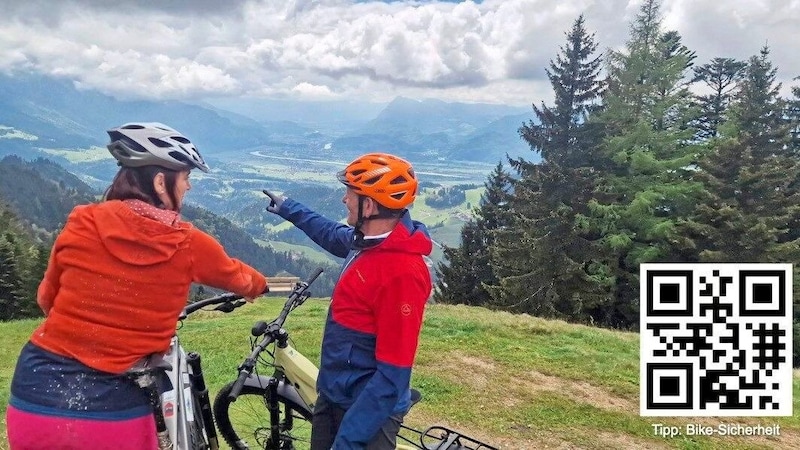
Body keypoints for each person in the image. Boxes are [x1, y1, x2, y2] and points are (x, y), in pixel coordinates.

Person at [5, 122, 268, 450]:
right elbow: (243, 279)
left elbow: (46, 298)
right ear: (161, 182)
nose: (188, 187)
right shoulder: (188, 244)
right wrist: (259, 287)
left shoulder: (82, 222)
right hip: (113, 409)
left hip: (34, 396)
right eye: (186, 177)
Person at [263, 152, 433, 449]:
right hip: (335, 390)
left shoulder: (403, 274)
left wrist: (350, 440)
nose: (344, 200)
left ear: (368, 205)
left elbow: (393, 375)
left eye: (349, 194)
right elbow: (330, 233)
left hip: (369, 410)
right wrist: (289, 208)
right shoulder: (366, 241)